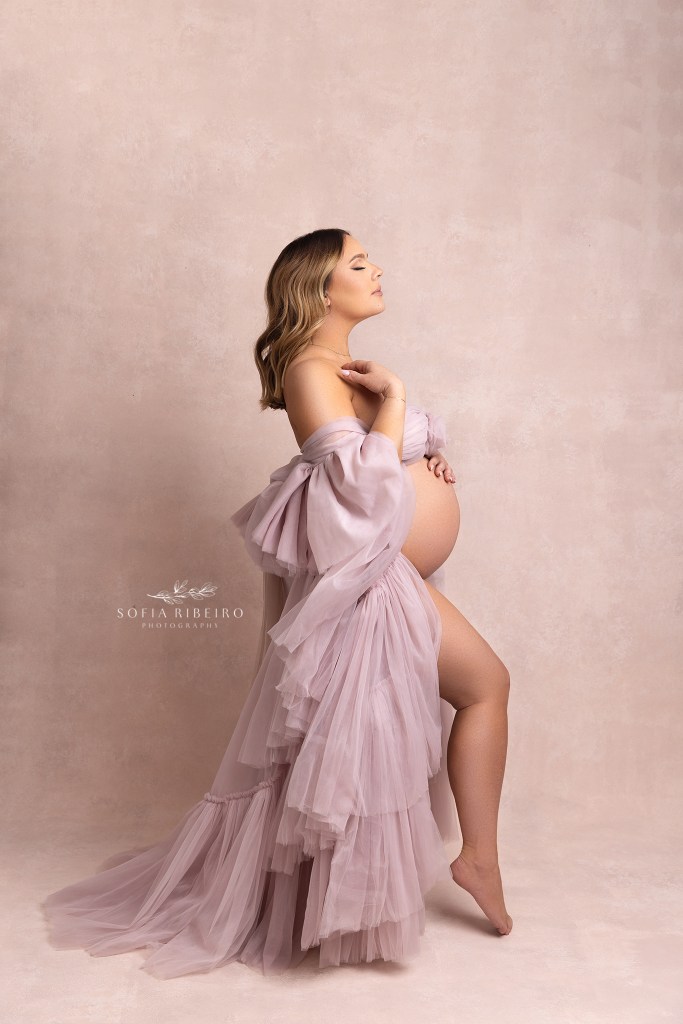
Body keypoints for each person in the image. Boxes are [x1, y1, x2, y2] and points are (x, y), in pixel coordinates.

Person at [41, 228, 512, 980]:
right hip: (367, 578)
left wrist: (425, 443)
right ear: (322, 288)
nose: (377, 269)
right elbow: (355, 484)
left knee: (414, 716)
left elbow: (378, 456)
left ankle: (473, 861)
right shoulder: (307, 366)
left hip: (387, 575)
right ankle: (460, 867)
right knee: (465, 694)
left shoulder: (336, 365)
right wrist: (393, 406)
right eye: (358, 264)